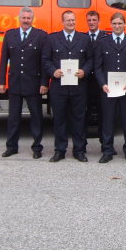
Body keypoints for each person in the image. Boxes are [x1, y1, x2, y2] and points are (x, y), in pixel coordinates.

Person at [0, 6, 48, 159]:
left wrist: (44, 83)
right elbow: (3, 59)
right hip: (15, 82)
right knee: (13, 117)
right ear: (19, 19)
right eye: (24, 18)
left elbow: (44, 62)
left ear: (32, 19)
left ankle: (37, 148)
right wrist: (1, 81)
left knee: (36, 117)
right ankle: (11, 147)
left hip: (33, 83)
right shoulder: (10, 35)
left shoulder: (41, 36)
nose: (26, 20)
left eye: (28, 18)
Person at [42, 11, 92, 163]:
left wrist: (85, 71)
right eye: (68, 20)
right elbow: (45, 60)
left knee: (79, 119)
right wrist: (53, 71)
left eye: (73, 20)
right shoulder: (52, 38)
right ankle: (60, 150)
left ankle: (79, 150)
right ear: (62, 22)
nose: (71, 23)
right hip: (59, 86)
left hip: (79, 86)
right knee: (59, 119)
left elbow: (90, 59)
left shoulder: (84, 38)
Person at [94, 12, 126, 163]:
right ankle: (107, 150)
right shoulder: (102, 42)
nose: (117, 26)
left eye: (120, 23)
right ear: (110, 25)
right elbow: (98, 66)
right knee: (108, 120)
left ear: (125, 25)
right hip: (108, 89)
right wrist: (103, 84)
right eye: (114, 23)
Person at [85, 10, 109, 151]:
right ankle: (82, 147)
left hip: (102, 82)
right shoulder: (82, 38)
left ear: (99, 21)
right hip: (86, 82)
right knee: (84, 113)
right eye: (89, 20)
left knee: (103, 114)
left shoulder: (106, 37)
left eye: (94, 20)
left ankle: (105, 144)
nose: (92, 22)